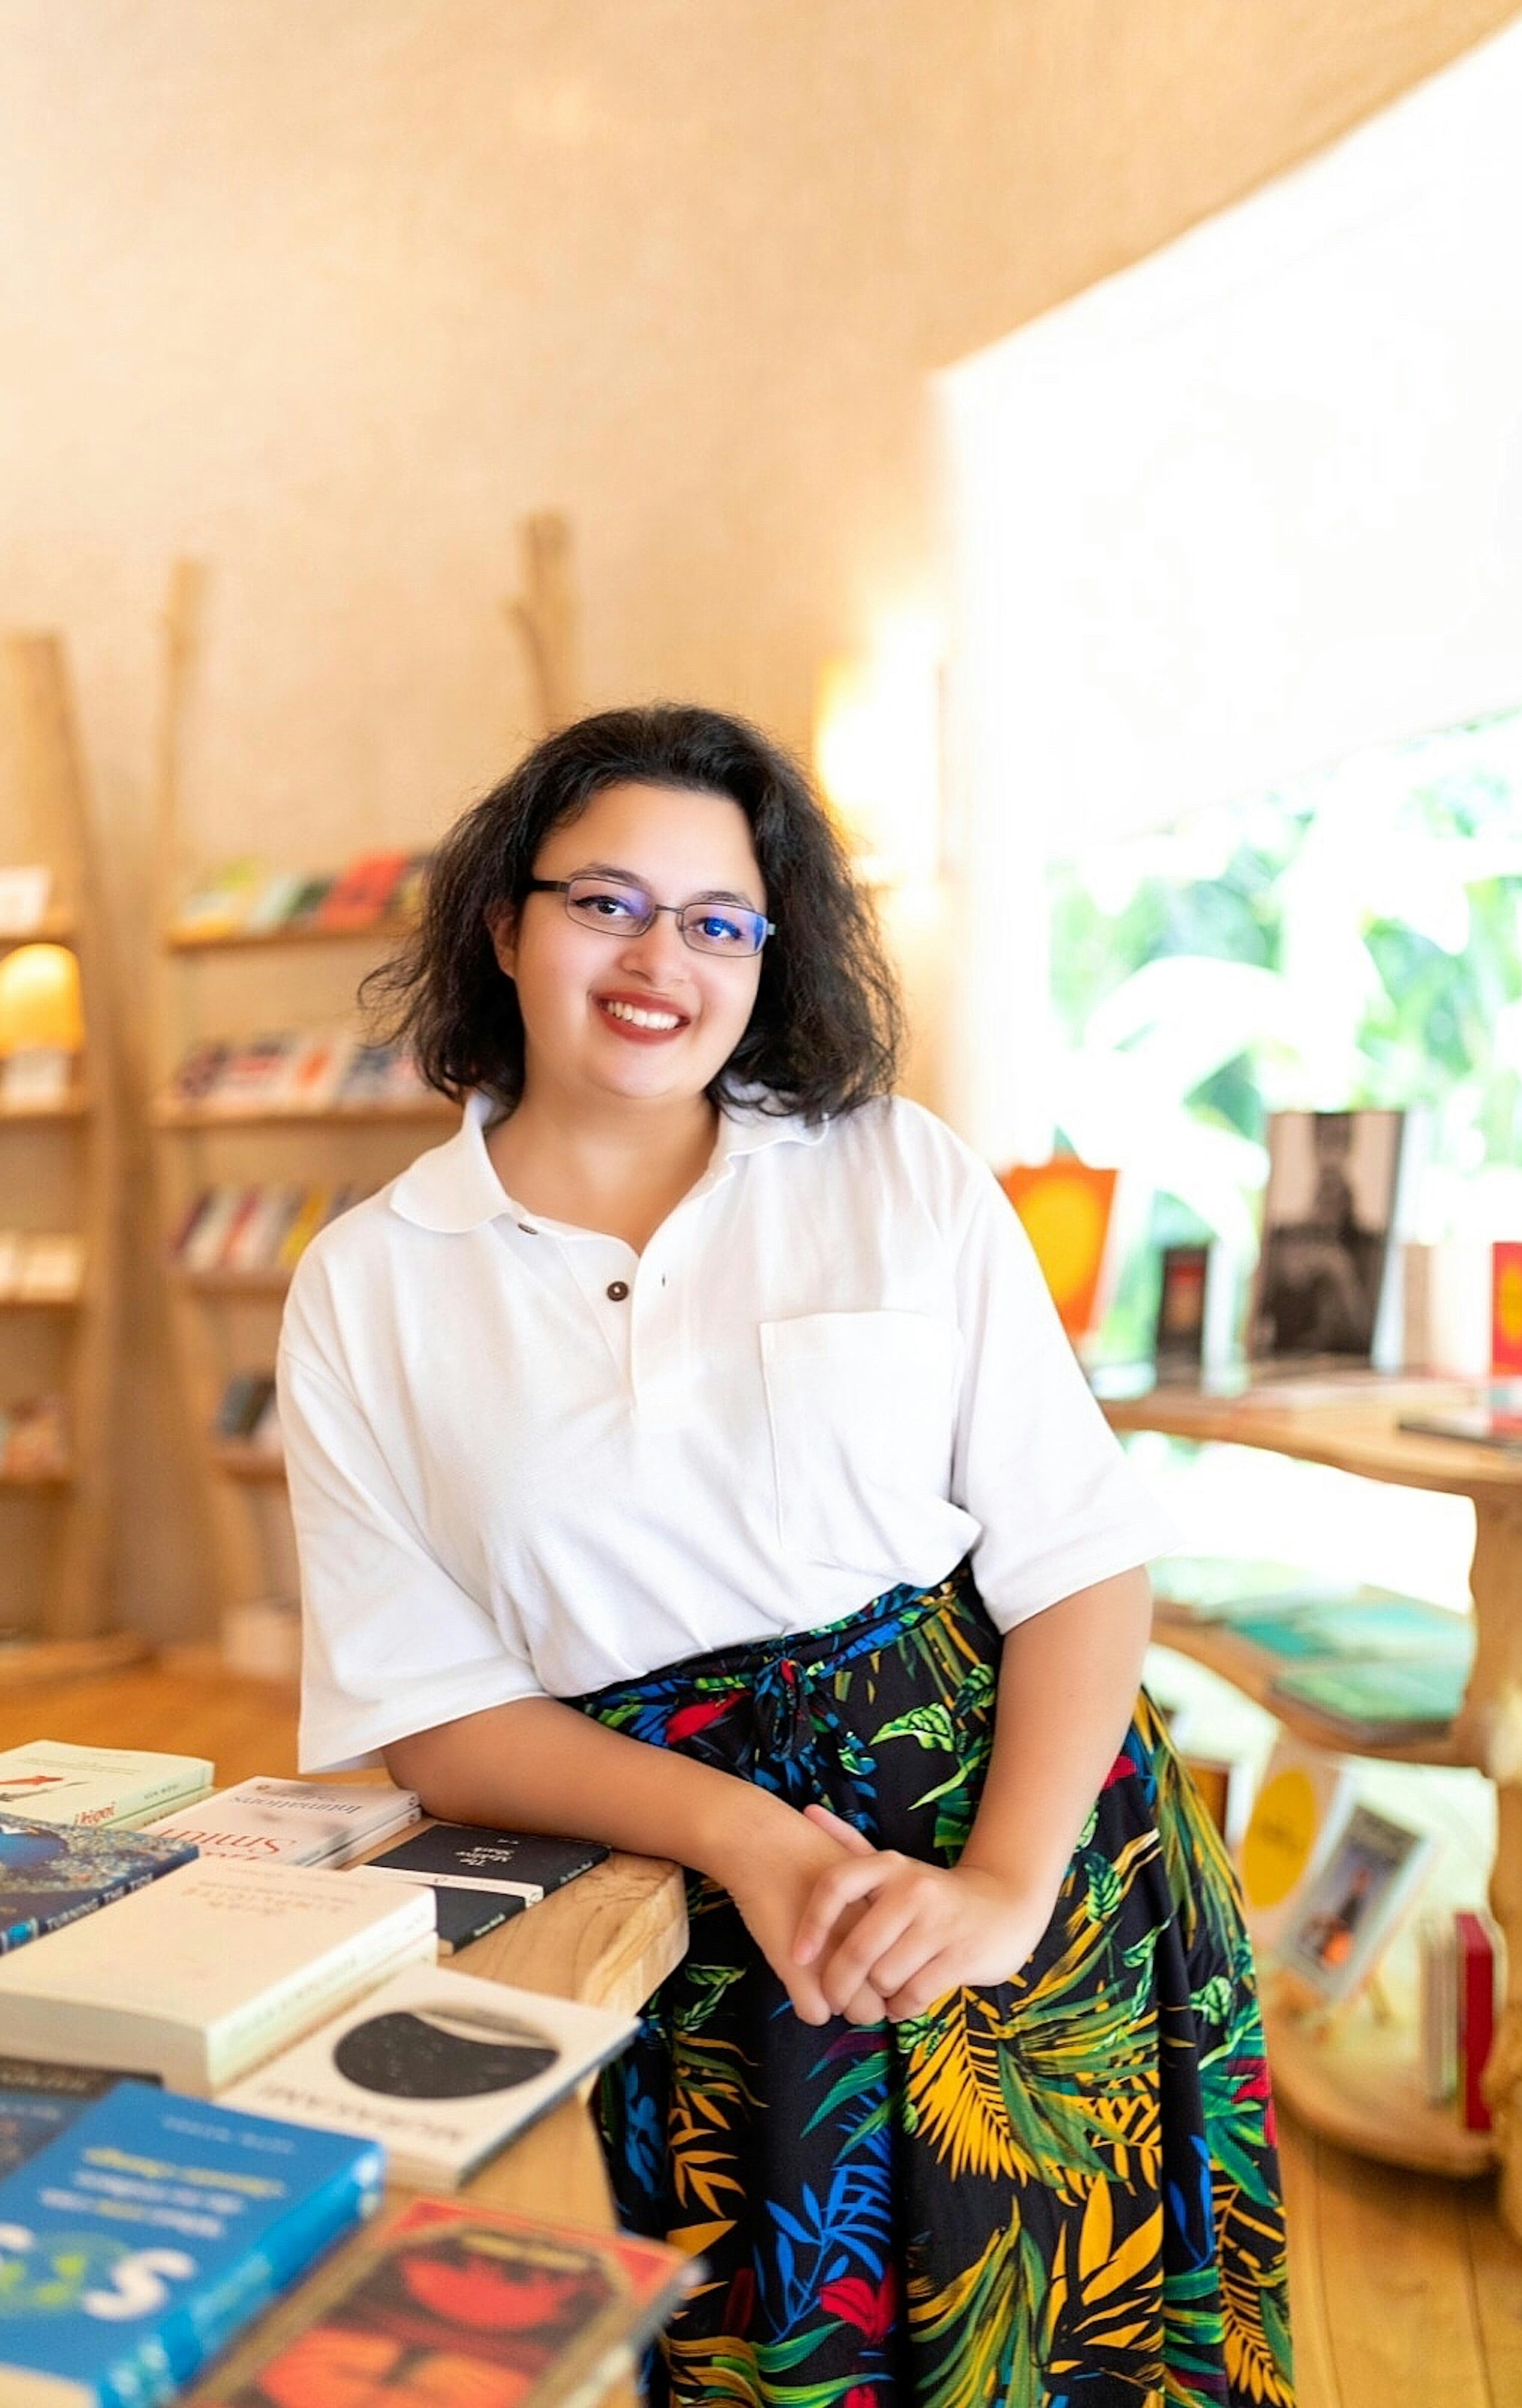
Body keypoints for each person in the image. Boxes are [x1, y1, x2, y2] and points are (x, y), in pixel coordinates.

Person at [277, 704, 1294, 2408]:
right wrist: (745, 1838)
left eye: (718, 919)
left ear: (769, 952)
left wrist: (1002, 1891)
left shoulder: (897, 1173)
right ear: (504, 925)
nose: (659, 957)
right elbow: (433, 1708)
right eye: (606, 901)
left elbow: (1079, 1559)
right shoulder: (370, 1285)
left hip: (1034, 1870)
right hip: (664, 1916)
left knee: (1084, 2357)